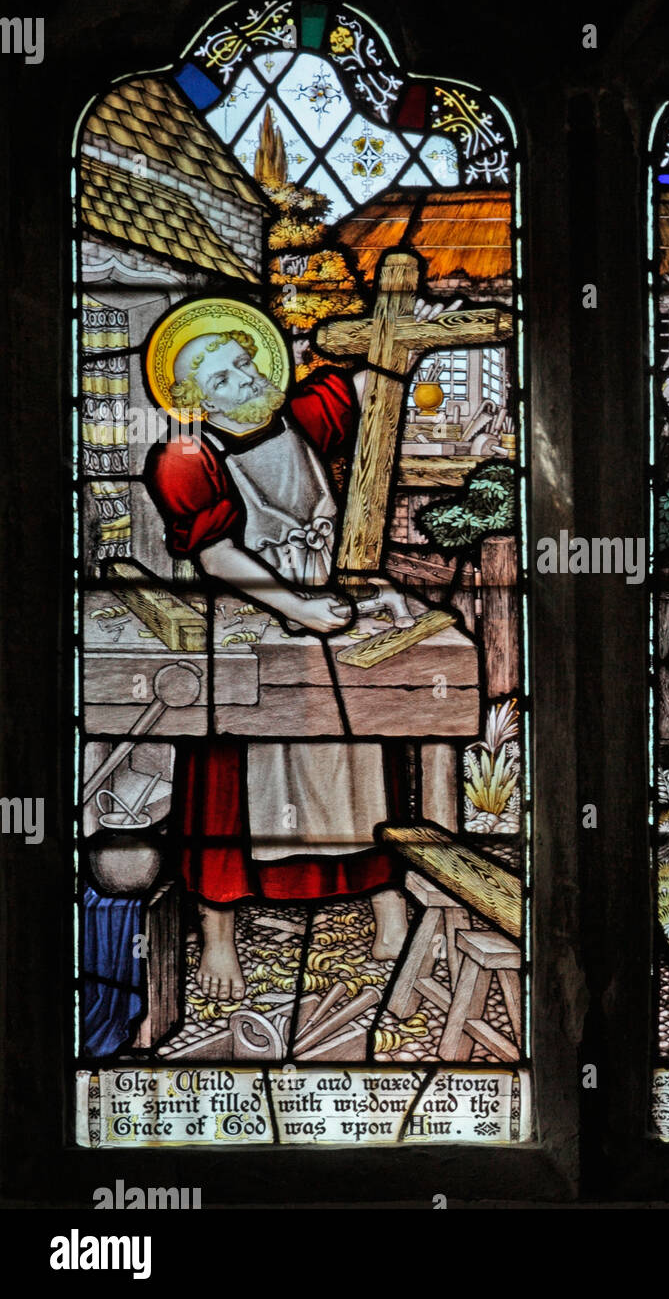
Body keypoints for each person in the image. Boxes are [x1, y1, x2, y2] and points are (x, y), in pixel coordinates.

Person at [145, 313, 444, 1001]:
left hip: (325, 606)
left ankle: (388, 914)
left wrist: (405, 329)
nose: (246, 378)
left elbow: (372, 387)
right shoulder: (186, 457)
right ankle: (219, 936)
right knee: (230, 783)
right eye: (224, 377)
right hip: (250, 623)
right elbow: (217, 553)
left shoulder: (297, 417)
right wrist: (297, 608)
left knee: (358, 762)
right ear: (197, 400)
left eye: (246, 363)